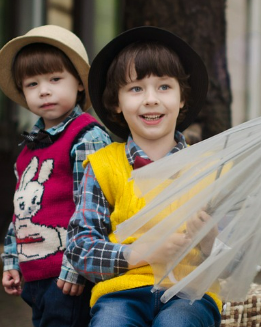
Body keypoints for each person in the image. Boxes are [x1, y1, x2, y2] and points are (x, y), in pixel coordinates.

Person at [65, 26, 222, 326]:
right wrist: (140, 253)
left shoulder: (208, 168)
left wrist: (212, 239)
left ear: (182, 98)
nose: (151, 99)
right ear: (116, 103)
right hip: (121, 294)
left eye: (164, 87)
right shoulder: (103, 166)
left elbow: (236, 257)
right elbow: (79, 247)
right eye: (136, 89)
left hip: (189, 292)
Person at [0, 25, 111, 327]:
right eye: (32, 84)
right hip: (35, 277)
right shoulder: (28, 148)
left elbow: (95, 210)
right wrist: (12, 261)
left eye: (55, 79)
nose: (44, 90)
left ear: (79, 84)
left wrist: (77, 267)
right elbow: (20, 211)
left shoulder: (86, 136)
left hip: (68, 278)